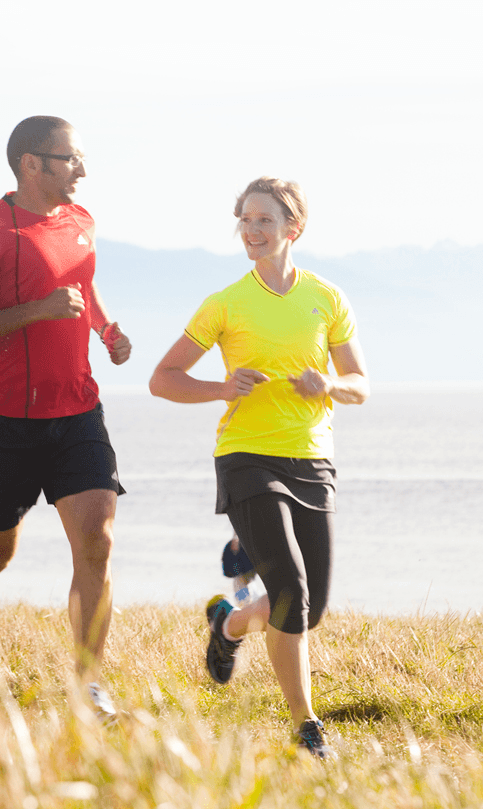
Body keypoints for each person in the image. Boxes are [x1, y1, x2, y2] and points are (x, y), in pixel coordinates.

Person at [0, 116, 133, 719]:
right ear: (30, 163)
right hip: (4, 417)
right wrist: (36, 310)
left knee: (98, 540)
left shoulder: (82, 222)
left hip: (78, 408)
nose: (83, 171)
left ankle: (88, 686)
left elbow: (82, 289)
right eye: (71, 159)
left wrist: (106, 329)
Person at [148, 177, 369, 758]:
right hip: (246, 456)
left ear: (293, 229)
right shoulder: (225, 303)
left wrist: (332, 384)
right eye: (245, 219)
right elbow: (162, 379)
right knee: (290, 588)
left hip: (311, 460)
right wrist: (223, 387)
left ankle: (227, 622)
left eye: (264, 220)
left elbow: (361, 385)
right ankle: (306, 728)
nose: (252, 229)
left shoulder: (328, 297)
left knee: (309, 608)